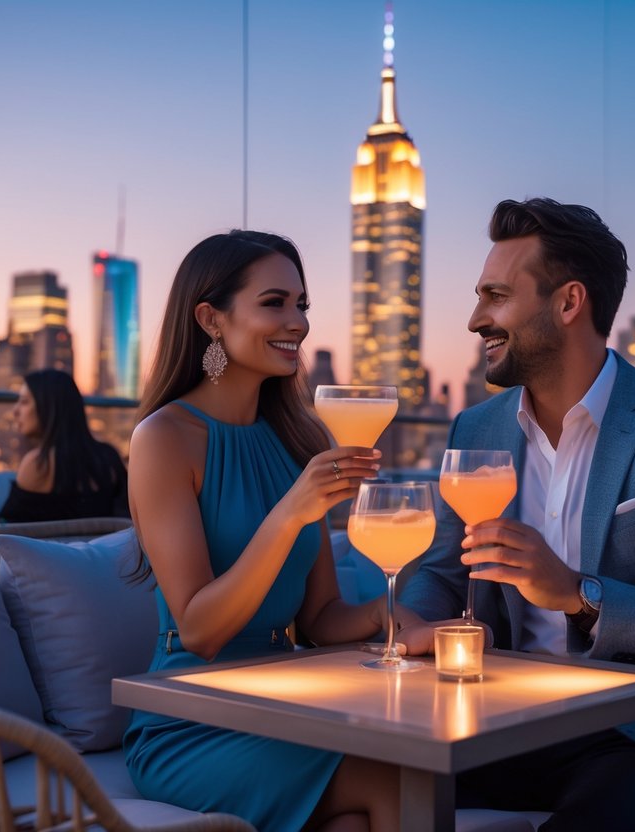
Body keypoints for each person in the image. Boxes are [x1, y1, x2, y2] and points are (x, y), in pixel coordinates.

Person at [399, 198, 635, 831]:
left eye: (496, 296)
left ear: (569, 303)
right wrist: (420, 622)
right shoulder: (475, 426)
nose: (474, 319)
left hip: (632, 735)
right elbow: (440, 573)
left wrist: (578, 595)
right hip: (492, 721)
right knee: (356, 791)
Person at [122, 230, 401, 832]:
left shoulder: (300, 441)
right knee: (395, 779)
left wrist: (390, 617)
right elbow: (200, 629)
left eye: (302, 304)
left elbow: (321, 617)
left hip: (284, 704)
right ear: (210, 319)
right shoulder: (164, 441)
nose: (296, 322)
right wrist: (291, 511)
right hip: (190, 720)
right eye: (274, 302)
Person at [0, 368, 129, 522]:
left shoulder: (38, 464)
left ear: (49, 406)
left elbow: (8, 530)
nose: (15, 410)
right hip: (102, 546)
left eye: (25, 402)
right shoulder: (109, 458)